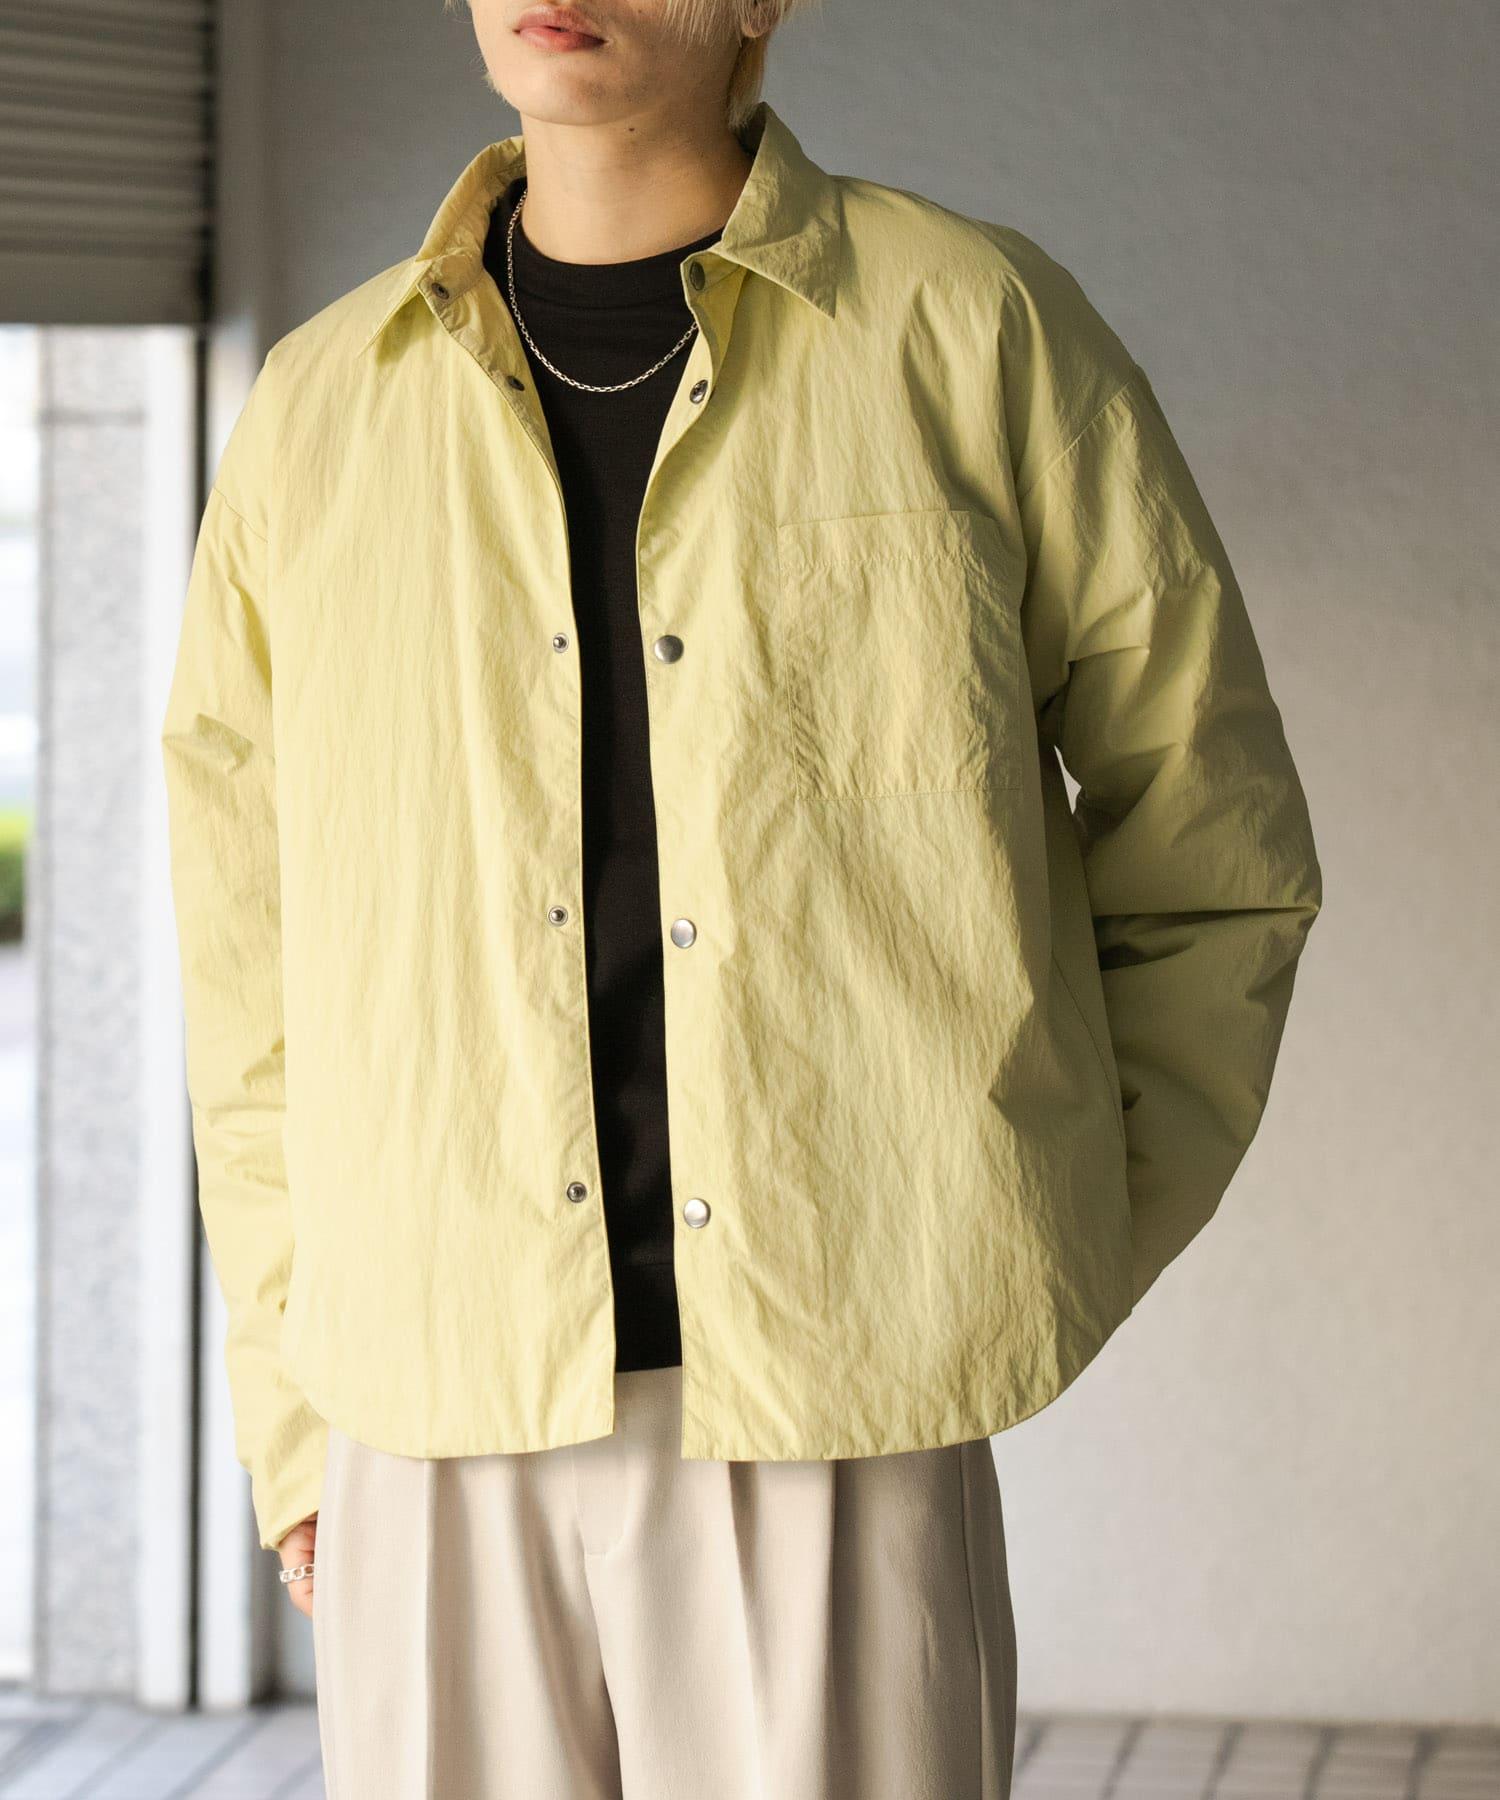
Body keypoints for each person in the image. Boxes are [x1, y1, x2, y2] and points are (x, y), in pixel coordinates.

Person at [159, 0, 1323, 1793]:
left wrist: (1019, 1237)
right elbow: (250, 961)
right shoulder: (321, 409)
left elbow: (1211, 843)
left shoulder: (971, 329)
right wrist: (293, 1401)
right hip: (427, 1401)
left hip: (832, 1409)